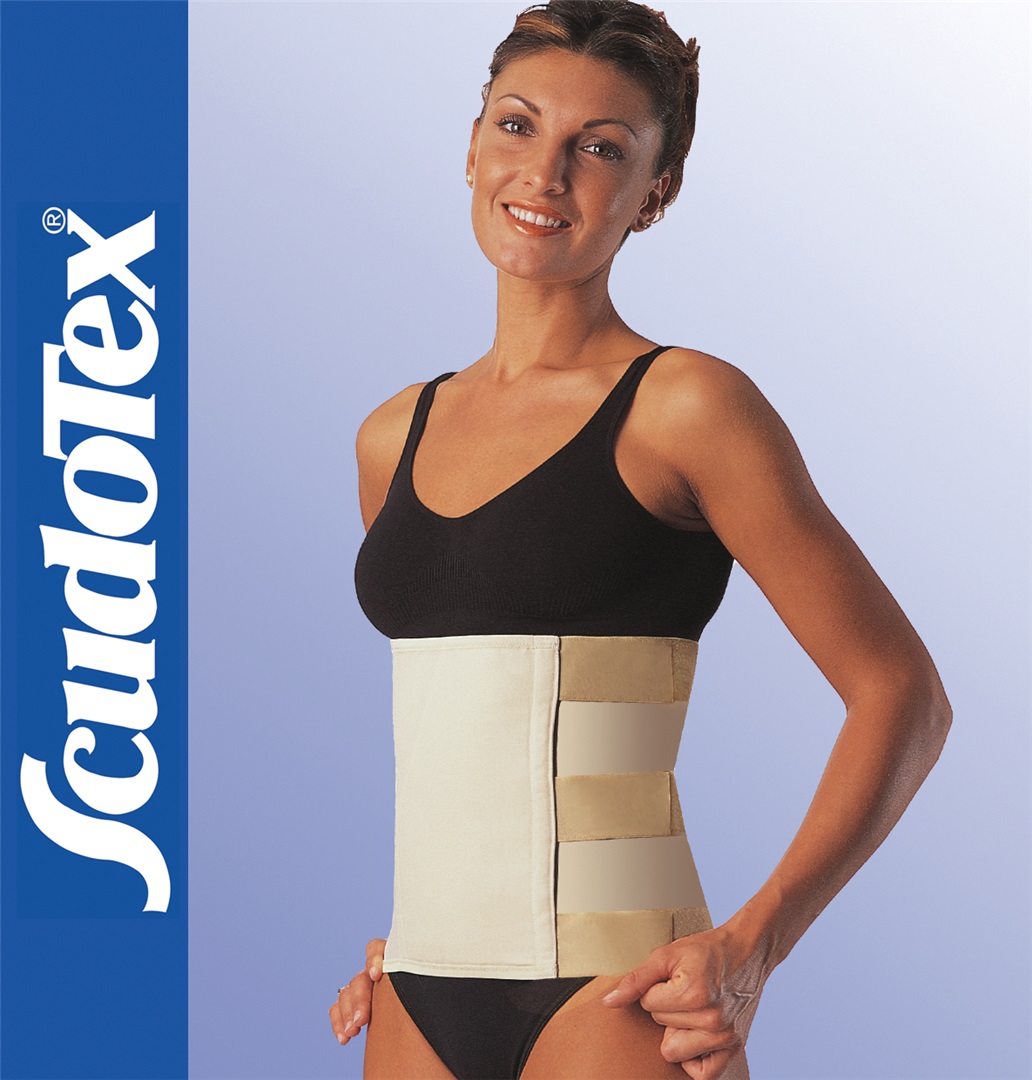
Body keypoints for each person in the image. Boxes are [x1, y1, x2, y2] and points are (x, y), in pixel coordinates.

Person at [327, 2, 952, 1077]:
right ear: (472, 145)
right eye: (518, 125)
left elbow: (903, 694)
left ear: (655, 192)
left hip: (615, 991)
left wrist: (753, 948)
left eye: (601, 148)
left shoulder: (685, 407)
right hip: (416, 989)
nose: (544, 173)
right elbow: (457, 716)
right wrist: (433, 923)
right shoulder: (391, 435)